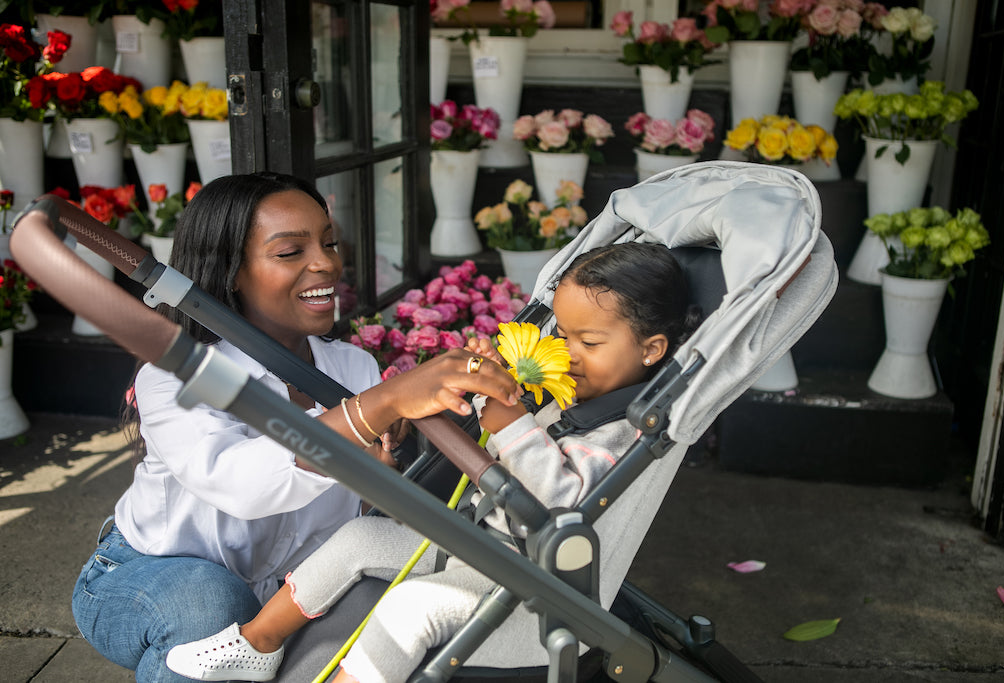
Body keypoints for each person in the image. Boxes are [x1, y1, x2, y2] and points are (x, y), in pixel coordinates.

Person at [165, 241, 702, 683]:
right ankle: (257, 645)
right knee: (357, 540)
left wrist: (512, 427)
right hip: (481, 552)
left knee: (408, 610)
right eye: (561, 334)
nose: (567, 351)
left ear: (652, 349)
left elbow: (562, 508)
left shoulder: (622, 433)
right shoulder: (570, 397)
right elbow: (502, 458)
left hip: (533, 599)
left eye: (588, 340)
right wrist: (494, 403)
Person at [70, 172, 522, 683]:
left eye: (329, 243)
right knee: (213, 607)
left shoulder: (353, 370)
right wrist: (383, 403)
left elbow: (356, 523)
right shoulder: (177, 373)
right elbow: (242, 485)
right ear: (231, 271)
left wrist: (382, 478)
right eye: (290, 252)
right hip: (145, 577)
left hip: (286, 594)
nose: (326, 262)